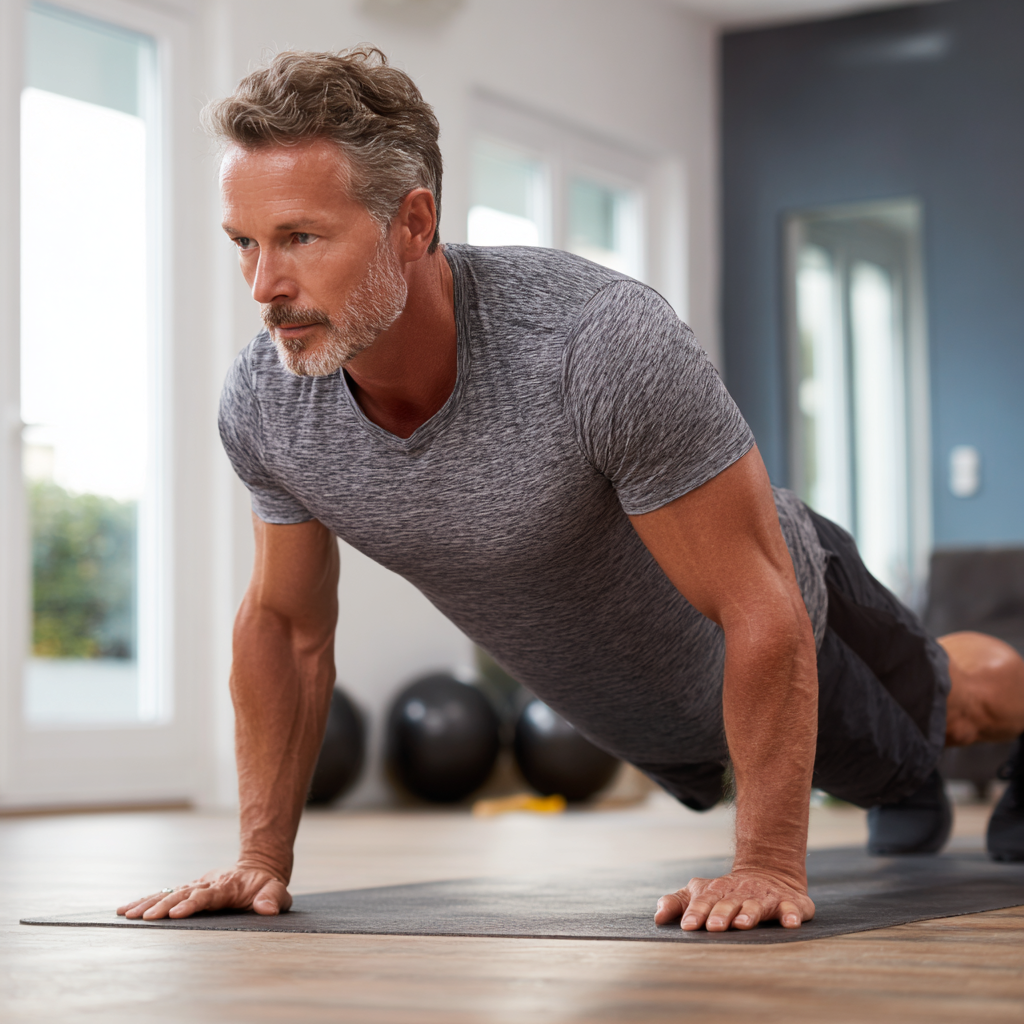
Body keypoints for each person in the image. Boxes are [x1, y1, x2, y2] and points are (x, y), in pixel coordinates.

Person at [117, 49, 1024, 932]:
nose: (265, 286)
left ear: (413, 222)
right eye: (245, 243)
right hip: (656, 714)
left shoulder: (594, 341)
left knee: (954, 710)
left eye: (300, 238)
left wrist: (767, 863)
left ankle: (925, 759)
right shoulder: (268, 404)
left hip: (792, 617)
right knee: (893, 765)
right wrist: (260, 860)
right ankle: (903, 782)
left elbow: (760, 602)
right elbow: (284, 626)